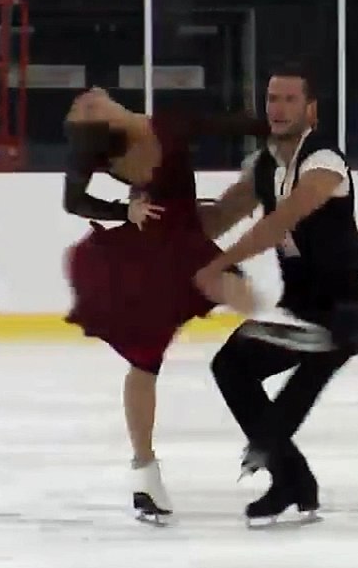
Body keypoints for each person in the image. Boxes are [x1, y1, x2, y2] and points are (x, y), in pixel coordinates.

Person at [60, 88, 278, 523]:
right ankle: (144, 470)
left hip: (189, 236)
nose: (85, 99)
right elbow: (74, 201)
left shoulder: (167, 122)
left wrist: (276, 125)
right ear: (104, 123)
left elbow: (226, 123)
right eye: (84, 109)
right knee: (146, 360)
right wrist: (126, 211)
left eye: (84, 102)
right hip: (152, 254)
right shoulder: (111, 151)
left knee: (244, 288)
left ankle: (280, 365)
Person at [194, 64, 358, 523]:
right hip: (299, 309)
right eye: (272, 99)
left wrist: (217, 266)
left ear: (310, 109)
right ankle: (292, 478)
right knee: (231, 366)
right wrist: (158, 221)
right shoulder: (263, 166)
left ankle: (281, 466)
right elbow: (217, 218)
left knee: (308, 371)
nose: (277, 109)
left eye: (289, 100)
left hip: (344, 311)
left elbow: (280, 221)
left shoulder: (324, 162)